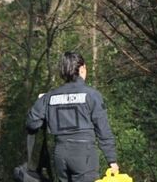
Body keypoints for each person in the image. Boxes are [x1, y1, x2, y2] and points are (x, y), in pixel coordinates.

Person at [25, 52, 119, 182]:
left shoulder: (49, 97)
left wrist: (42, 105)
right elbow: (103, 130)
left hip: (60, 154)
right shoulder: (91, 95)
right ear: (82, 69)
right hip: (84, 155)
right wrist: (112, 160)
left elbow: (31, 123)